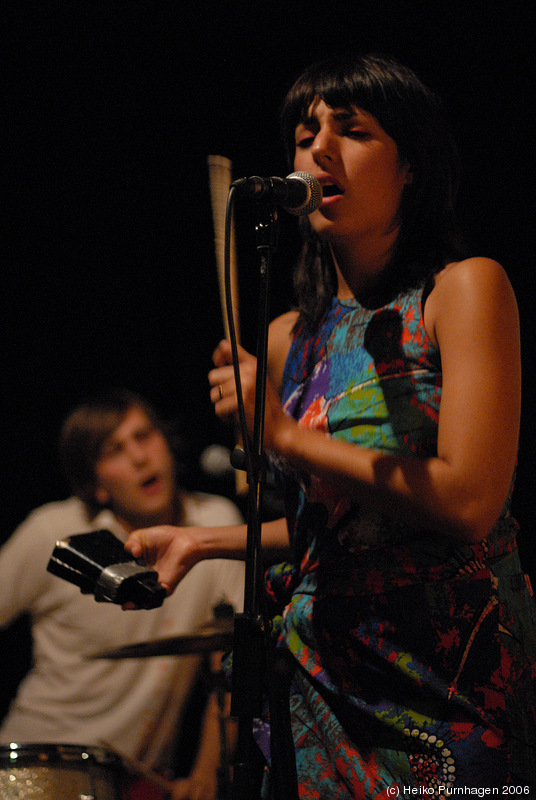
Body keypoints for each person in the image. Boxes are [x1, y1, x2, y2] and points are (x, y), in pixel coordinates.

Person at [124, 54, 536, 797]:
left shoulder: (464, 290)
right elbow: (338, 523)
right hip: (323, 678)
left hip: (446, 680)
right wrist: (204, 541)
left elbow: (469, 503)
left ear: (410, 164)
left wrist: (281, 435)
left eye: (352, 130)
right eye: (306, 131)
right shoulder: (290, 336)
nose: (319, 148)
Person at [0, 388, 245, 800]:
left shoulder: (214, 525)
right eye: (115, 449)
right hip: (36, 769)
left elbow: (234, 662)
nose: (139, 457)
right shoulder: (52, 531)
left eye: (145, 435)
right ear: (96, 484)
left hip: (137, 783)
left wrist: (207, 773)